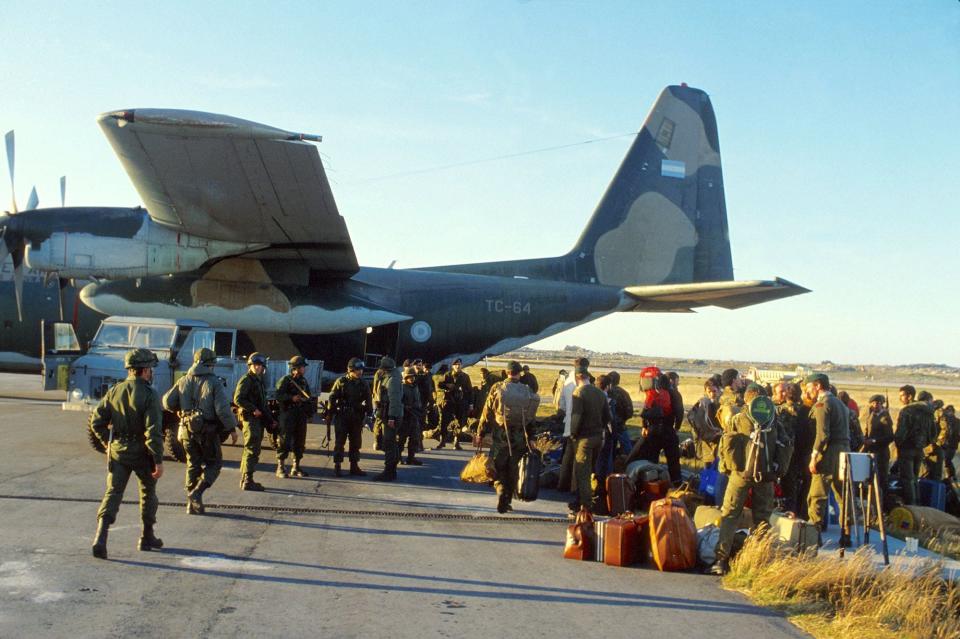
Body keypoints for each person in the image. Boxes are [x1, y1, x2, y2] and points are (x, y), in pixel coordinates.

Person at [89, 348, 165, 559]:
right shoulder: (150, 394)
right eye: (150, 368)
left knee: (113, 493)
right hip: (142, 453)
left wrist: (108, 443)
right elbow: (153, 431)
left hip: (118, 452)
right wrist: (158, 460)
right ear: (144, 370)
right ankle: (146, 536)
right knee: (148, 493)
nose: (151, 372)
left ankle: (100, 539)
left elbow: (97, 421)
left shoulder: (115, 390)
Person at [709, 385, 784, 575]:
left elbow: (726, 444)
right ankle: (758, 560)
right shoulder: (774, 420)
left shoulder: (739, 418)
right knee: (762, 519)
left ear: (747, 398)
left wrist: (724, 468)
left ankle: (721, 559)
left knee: (730, 515)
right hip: (765, 475)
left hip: (740, 473)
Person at [162, 347, 239, 515]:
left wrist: (180, 410)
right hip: (207, 431)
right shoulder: (214, 382)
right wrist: (232, 428)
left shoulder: (184, 380)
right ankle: (197, 492)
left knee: (193, 464)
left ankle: (191, 503)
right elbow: (222, 409)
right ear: (211, 364)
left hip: (185, 431)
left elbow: (167, 402)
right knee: (214, 463)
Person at [475, 361, 540, 513]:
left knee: (497, 467)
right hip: (519, 436)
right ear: (519, 373)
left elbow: (487, 412)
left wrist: (480, 432)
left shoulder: (497, 388)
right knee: (513, 469)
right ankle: (508, 500)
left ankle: (500, 489)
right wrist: (532, 437)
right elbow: (531, 417)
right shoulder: (527, 390)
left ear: (507, 372)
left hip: (501, 435)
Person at [804, 373, 851, 539]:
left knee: (817, 495)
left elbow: (822, 435)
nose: (808, 391)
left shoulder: (822, 404)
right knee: (842, 495)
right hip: (844, 451)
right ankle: (846, 534)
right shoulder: (840, 403)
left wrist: (814, 457)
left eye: (809, 387)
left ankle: (813, 537)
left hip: (829, 452)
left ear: (817, 386)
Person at [624, 368, 681, 484]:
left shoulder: (652, 393)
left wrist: (644, 426)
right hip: (669, 429)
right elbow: (679, 412)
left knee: (651, 459)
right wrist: (677, 427)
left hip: (653, 430)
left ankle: (652, 484)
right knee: (673, 461)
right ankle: (676, 484)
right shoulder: (674, 393)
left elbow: (646, 411)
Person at [568, 366, 610, 515]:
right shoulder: (599, 392)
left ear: (577, 378)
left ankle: (586, 508)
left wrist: (573, 433)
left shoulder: (578, 392)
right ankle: (579, 501)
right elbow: (607, 417)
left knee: (582, 473)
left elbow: (576, 416)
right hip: (599, 437)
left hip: (584, 439)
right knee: (590, 470)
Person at [234, 352, 273, 491]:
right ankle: (248, 480)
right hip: (251, 420)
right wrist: (253, 409)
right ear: (250, 365)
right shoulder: (247, 380)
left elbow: (263, 403)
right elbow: (238, 399)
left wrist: (270, 420)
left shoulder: (258, 380)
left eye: (260, 366)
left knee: (252, 449)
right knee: (251, 449)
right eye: (256, 365)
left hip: (257, 419)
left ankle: (245, 478)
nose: (258, 368)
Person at [328, 357, 372, 476]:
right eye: (357, 369)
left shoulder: (363, 383)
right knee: (340, 442)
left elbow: (368, 400)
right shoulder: (341, 381)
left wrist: (369, 414)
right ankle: (337, 465)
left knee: (356, 442)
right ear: (350, 370)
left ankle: (354, 466)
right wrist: (330, 412)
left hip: (356, 417)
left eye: (361, 369)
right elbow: (332, 397)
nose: (360, 372)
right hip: (342, 416)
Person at [275, 355, 315, 478]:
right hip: (288, 414)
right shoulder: (285, 380)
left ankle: (296, 467)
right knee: (284, 441)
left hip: (300, 415)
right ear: (295, 368)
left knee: (300, 441)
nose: (304, 369)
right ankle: (280, 467)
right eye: (303, 367)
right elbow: (278, 396)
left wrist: (309, 410)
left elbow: (308, 396)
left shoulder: (303, 381)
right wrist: (291, 398)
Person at [895, 385, 936, 503]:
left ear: (910, 396)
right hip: (919, 449)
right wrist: (924, 443)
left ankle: (911, 507)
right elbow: (933, 432)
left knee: (907, 479)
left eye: (902, 396)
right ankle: (918, 504)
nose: (900, 399)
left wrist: (899, 444)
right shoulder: (927, 411)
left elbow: (901, 433)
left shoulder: (907, 410)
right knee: (915, 478)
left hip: (906, 449)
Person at [557, 357, 589, 493]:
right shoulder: (585, 382)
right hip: (581, 423)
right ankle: (575, 487)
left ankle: (562, 484)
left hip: (569, 422)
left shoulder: (567, 382)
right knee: (580, 456)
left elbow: (562, 403)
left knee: (568, 455)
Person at [372, 357, 403, 482]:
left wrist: (391, 418)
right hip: (390, 414)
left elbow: (394, 401)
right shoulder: (390, 376)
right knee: (392, 444)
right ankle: (392, 470)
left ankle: (389, 472)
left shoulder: (392, 380)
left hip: (392, 416)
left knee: (389, 443)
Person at [862, 394, 894, 507]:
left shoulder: (885, 418)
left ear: (882, 404)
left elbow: (890, 437)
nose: (875, 405)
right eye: (873, 403)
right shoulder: (871, 416)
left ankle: (883, 506)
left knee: (881, 480)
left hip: (881, 453)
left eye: (878, 403)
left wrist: (874, 441)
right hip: (871, 452)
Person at [688, 379, 723, 466]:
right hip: (706, 441)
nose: (712, 394)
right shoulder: (701, 404)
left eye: (714, 391)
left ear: (719, 390)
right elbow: (692, 419)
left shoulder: (723, 404)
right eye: (709, 391)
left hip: (720, 439)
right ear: (705, 391)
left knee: (719, 465)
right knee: (708, 465)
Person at [398, 366, 424, 466]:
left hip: (414, 416)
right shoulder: (402, 387)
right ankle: (398, 457)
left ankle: (411, 458)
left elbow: (418, 400)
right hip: (405, 417)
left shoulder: (415, 387)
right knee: (401, 439)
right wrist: (405, 407)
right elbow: (398, 401)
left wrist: (418, 407)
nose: (412, 378)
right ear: (405, 377)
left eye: (413, 376)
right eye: (409, 376)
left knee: (414, 438)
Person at [919, 391, 944, 480]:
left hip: (934, 448)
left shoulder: (937, 411)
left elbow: (944, 429)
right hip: (924, 448)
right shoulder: (921, 411)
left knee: (935, 475)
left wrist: (937, 443)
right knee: (925, 474)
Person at [941, 405, 960, 481]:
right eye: (948, 411)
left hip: (952, 445)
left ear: (953, 412)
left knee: (947, 460)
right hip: (944, 444)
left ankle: (951, 476)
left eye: (951, 411)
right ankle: (950, 477)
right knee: (945, 461)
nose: (949, 412)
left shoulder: (958, 422)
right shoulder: (944, 421)